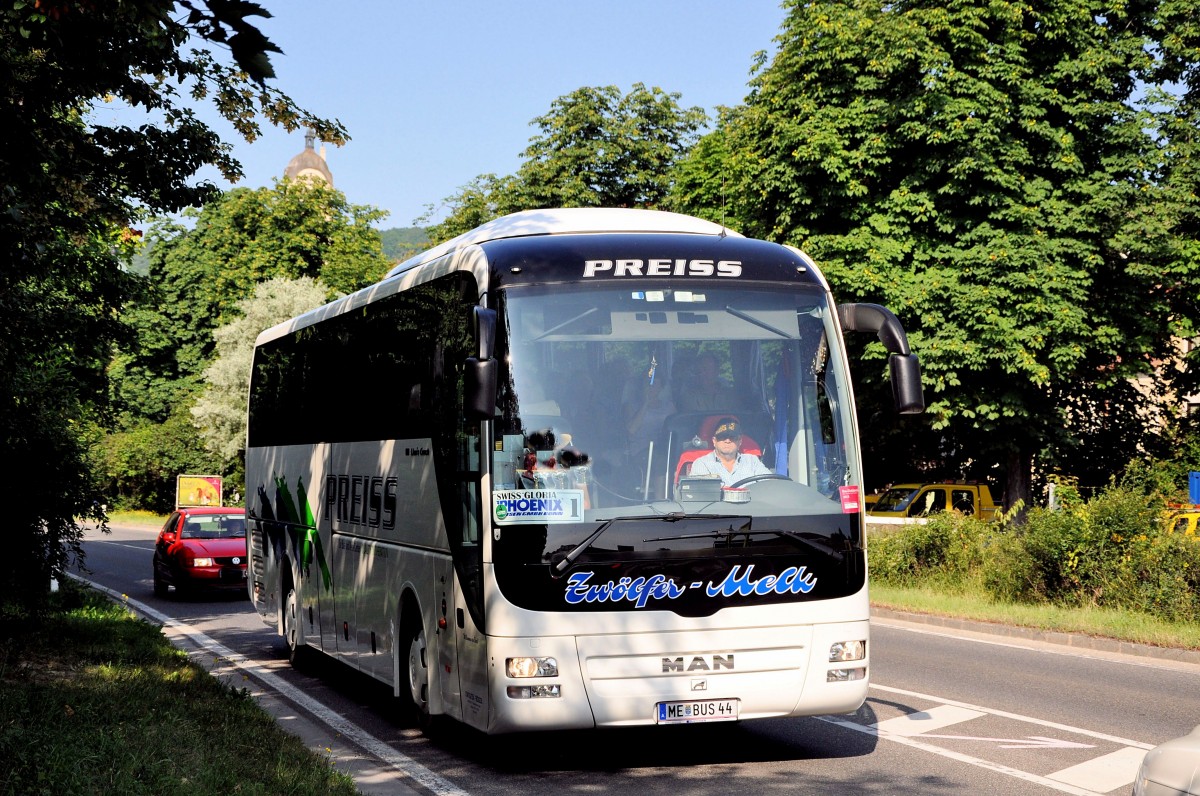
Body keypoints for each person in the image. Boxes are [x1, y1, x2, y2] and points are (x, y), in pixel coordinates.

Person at [685, 417, 771, 486]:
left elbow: (771, 483)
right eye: (722, 437)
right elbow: (700, 493)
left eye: (732, 437)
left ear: (740, 441)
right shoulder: (702, 463)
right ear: (714, 441)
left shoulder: (752, 461)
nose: (727, 441)